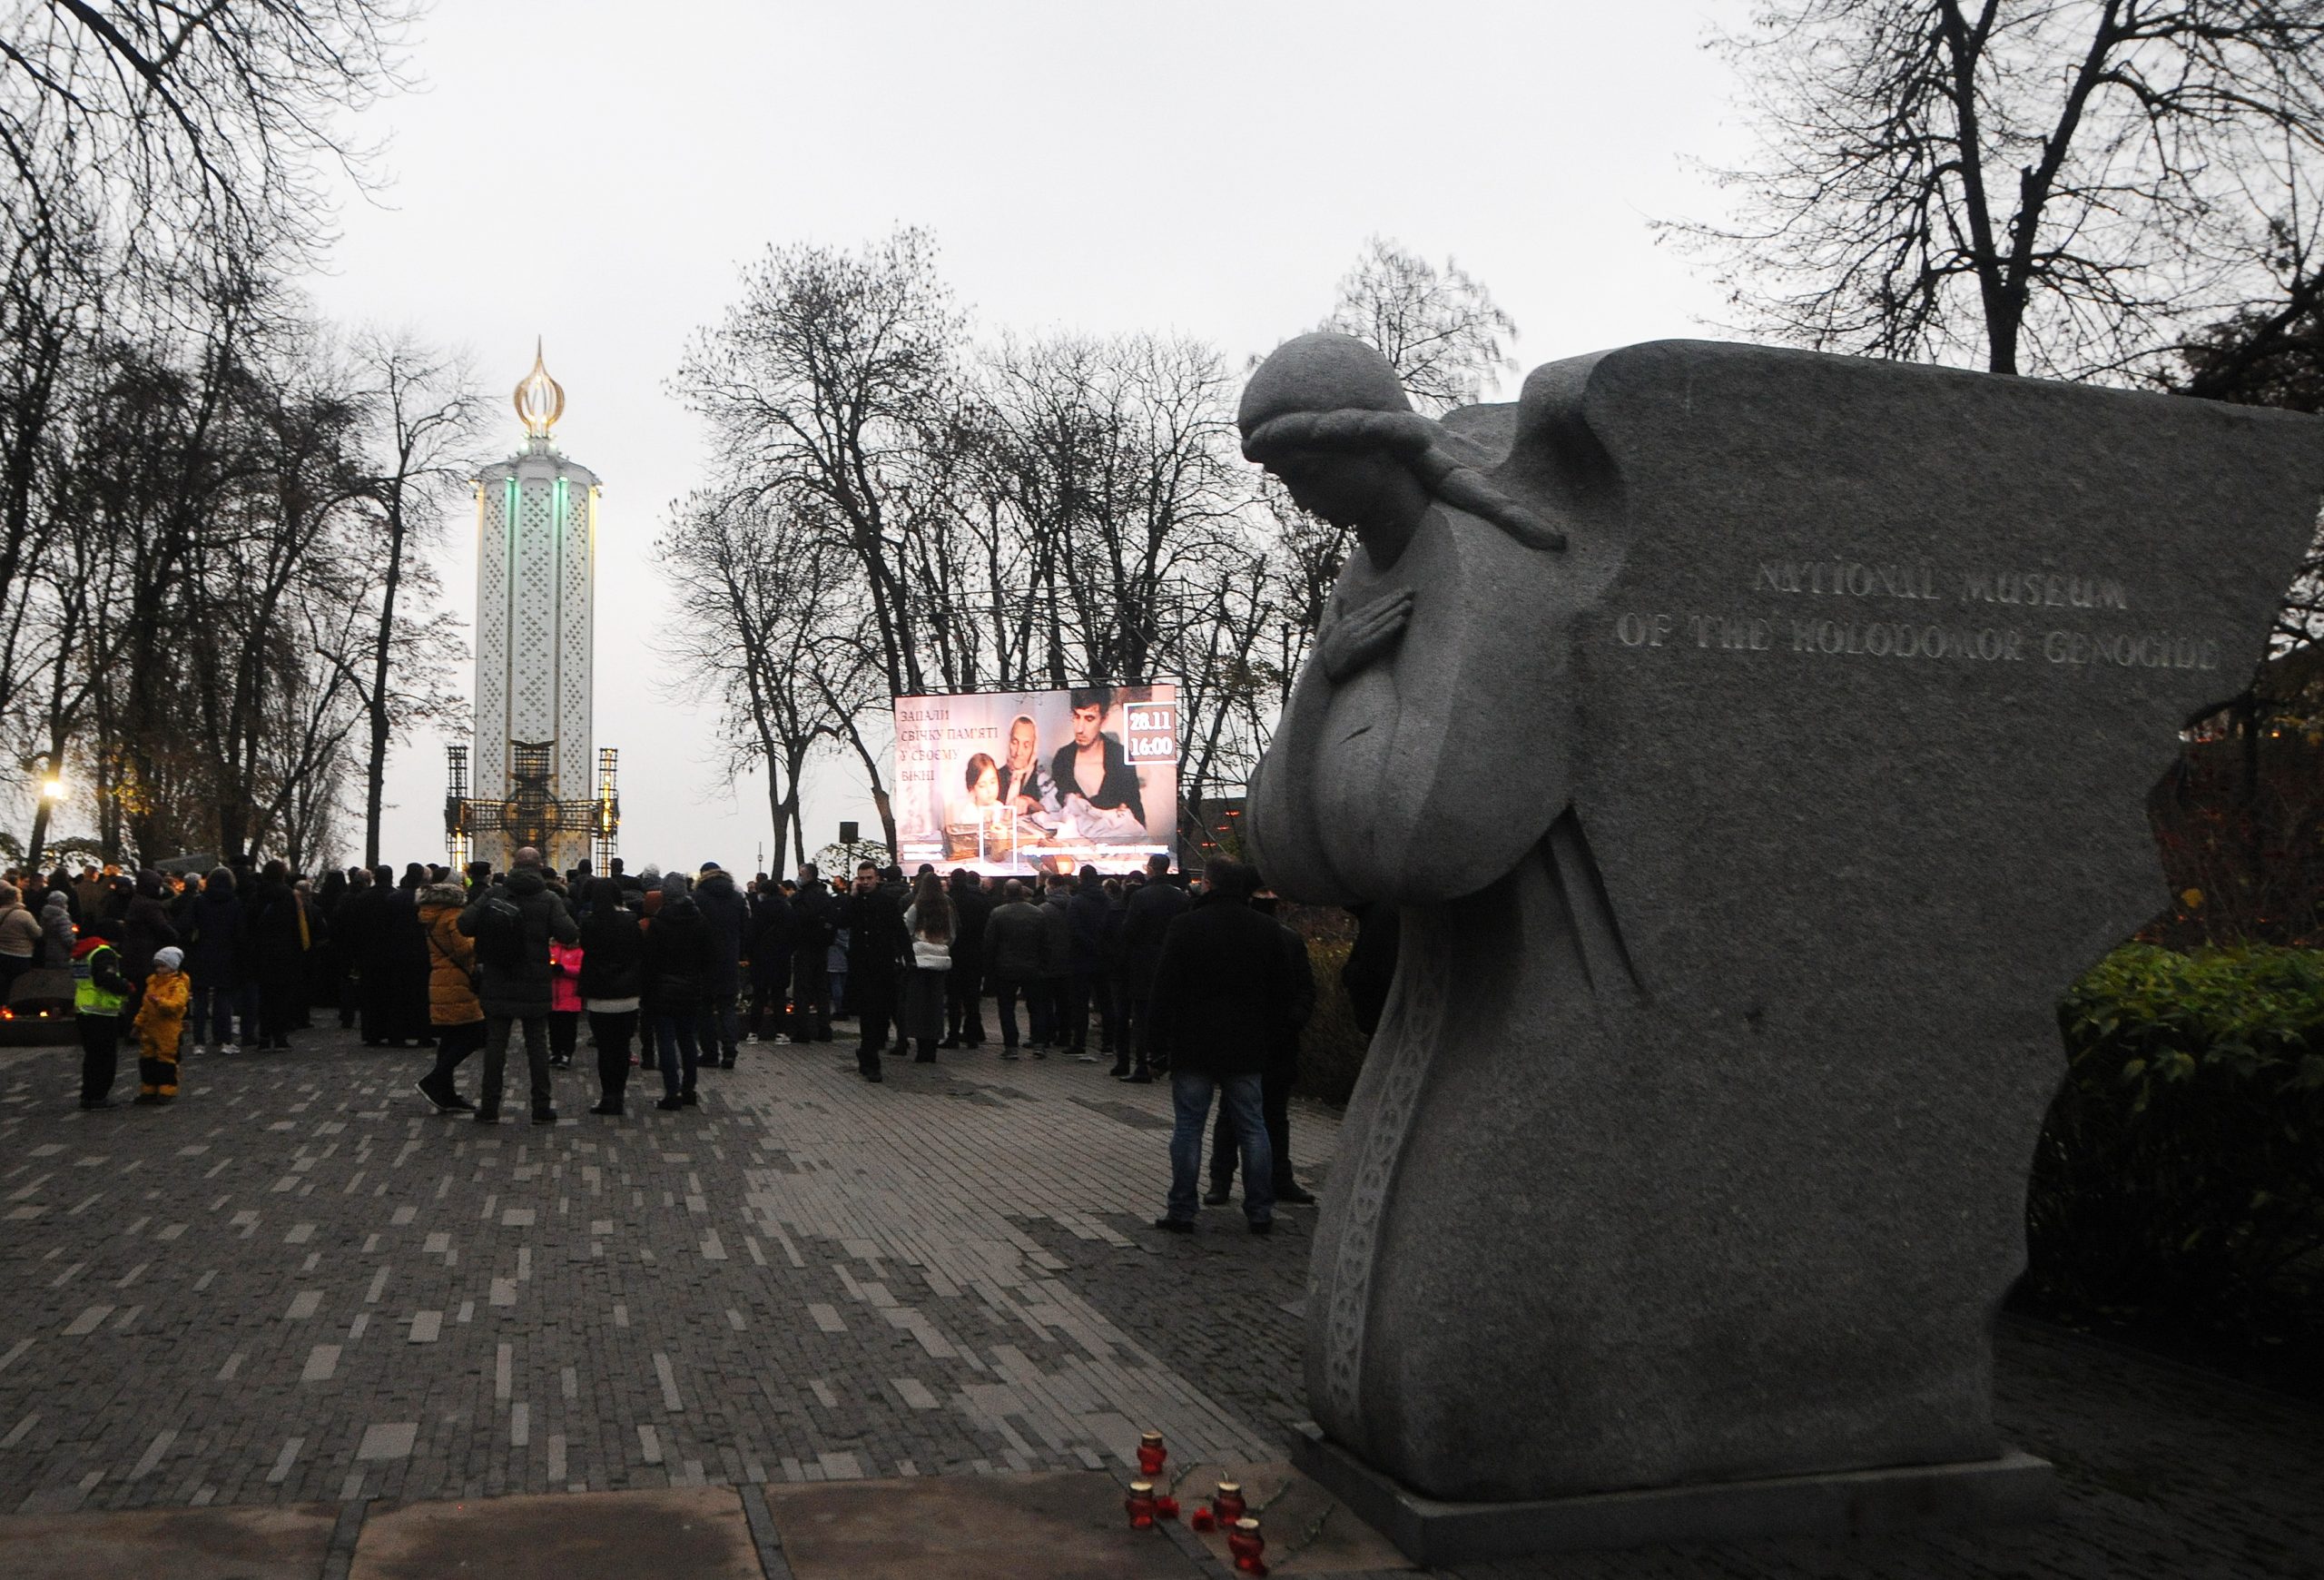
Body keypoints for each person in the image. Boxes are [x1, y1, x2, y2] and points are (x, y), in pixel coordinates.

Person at [1146, 859, 1297, 1235]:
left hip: (1194, 1042)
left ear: (1209, 885)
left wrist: (1155, 1046)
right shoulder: (1266, 929)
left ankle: (1182, 1209)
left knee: (1188, 1128)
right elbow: (1284, 992)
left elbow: (1164, 988)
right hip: (1247, 1044)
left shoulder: (1186, 926)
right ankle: (1260, 1210)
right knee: (1253, 1127)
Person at [1206, 888, 1320, 1208]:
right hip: (1255, 1039)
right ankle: (1230, 1180)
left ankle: (1255, 1179)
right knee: (1244, 1113)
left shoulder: (1284, 939)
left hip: (1268, 1039)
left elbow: (1305, 988)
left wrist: (1293, 1020)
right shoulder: (1255, 938)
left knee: (1257, 1112)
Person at [457, 846, 578, 1125]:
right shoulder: (548, 898)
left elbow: (465, 924)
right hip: (535, 982)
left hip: (498, 978)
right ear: (539, 866)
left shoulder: (495, 893)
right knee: (537, 1046)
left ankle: (489, 1107)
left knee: (496, 1046)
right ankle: (541, 1108)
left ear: (513, 865)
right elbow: (569, 932)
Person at [641, 869, 714, 1111]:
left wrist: (648, 988)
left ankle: (671, 1092)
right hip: (691, 987)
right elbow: (707, 957)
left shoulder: (659, 923)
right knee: (688, 1040)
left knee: (665, 1041)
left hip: (663, 988)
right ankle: (689, 1089)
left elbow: (649, 961)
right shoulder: (700, 921)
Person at [1115, 854, 1189, 1081]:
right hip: (1174, 963)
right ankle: (1172, 1062)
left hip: (1144, 965)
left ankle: (1143, 1066)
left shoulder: (1140, 897)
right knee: (1173, 1015)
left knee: (1143, 1017)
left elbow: (1129, 931)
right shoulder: (1181, 899)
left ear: (1150, 869)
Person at [413, 880, 484, 1113]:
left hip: (441, 980)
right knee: (476, 1033)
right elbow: (463, 949)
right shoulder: (452, 916)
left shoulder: (430, 916)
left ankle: (446, 1093)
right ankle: (434, 1079)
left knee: (451, 1038)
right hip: (457, 982)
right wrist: (479, 938)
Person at [576, 877, 644, 1115]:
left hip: (600, 993)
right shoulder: (631, 921)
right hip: (627, 994)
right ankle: (620, 1095)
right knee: (623, 1046)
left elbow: (586, 949)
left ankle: (608, 1096)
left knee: (605, 1049)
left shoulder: (590, 922)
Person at [841, 860, 908, 1081]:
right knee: (868, 1014)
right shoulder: (856, 902)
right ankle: (870, 1060)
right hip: (862, 966)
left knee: (881, 1013)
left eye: (869, 878)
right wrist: (852, 896)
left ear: (877, 878)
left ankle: (868, 1051)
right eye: (862, 878)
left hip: (883, 965)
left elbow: (899, 929)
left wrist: (908, 956)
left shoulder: (887, 901)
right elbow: (843, 920)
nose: (866, 882)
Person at [1049, 686, 1147, 834]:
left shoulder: (1120, 757)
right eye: (1076, 716)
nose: (1080, 728)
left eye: (1089, 719)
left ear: (1104, 719)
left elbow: (1137, 816)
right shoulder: (1063, 758)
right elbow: (1055, 809)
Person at [182, 869, 247, 1056]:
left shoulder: (199, 901)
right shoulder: (234, 903)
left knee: (200, 1000)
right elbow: (239, 932)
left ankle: (199, 1042)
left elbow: (185, 925)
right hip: (226, 953)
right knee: (223, 999)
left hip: (202, 952)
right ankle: (224, 1039)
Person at [243, 862, 306, 1050]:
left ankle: (263, 1036)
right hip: (284, 952)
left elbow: (248, 924)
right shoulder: (289, 896)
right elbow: (297, 926)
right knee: (282, 996)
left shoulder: (256, 895)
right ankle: (280, 1036)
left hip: (260, 952)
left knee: (264, 996)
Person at [982, 879, 1046, 1059]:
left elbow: (989, 944)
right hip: (1033, 967)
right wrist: (1043, 964)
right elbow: (1045, 942)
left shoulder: (998, 913)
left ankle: (1011, 1047)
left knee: (1006, 1008)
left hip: (1005, 968)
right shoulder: (1037, 913)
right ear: (1022, 891)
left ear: (1005, 892)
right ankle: (1039, 1043)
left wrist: (989, 969)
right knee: (1036, 1007)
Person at [692, 861, 747, 1068]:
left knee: (704, 1008)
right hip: (728, 959)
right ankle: (730, 1051)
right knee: (727, 1007)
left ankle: (710, 1053)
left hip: (703, 960)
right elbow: (744, 928)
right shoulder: (736, 897)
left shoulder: (697, 898)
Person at [72, 923, 129, 1109]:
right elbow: (106, 979)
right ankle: (98, 1096)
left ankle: (89, 1095)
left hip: (83, 1009)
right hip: (101, 1011)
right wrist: (125, 987)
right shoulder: (104, 953)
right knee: (104, 1057)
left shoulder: (81, 953)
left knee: (91, 1056)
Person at [900, 870, 951, 1063]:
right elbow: (952, 933)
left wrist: (913, 947)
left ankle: (922, 1048)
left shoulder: (916, 907)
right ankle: (933, 1047)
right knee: (936, 1006)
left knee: (919, 1006)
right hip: (941, 961)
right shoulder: (947, 907)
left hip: (919, 961)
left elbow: (905, 928)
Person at [133, 944, 191, 1104]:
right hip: (150, 1028)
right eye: (157, 966)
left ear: (172, 967)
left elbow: (177, 1006)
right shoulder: (152, 983)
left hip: (168, 1029)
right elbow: (145, 1007)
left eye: (163, 966)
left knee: (166, 1060)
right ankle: (149, 1089)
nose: (159, 969)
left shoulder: (177, 985)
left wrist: (161, 1003)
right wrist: (138, 1024)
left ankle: (167, 1090)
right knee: (147, 1060)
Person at [940, 867, 989, 1048]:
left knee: (954, 998)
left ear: (951, 880)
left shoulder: (947, 901)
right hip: (974, 954)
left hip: (952, 953)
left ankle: (952, 1036)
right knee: (972, 998)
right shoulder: (980, 900)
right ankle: (972, 1035)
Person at [1062, 866, 1108, 1058]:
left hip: (1081, 959)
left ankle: (1079, 1042)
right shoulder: (1107, 900)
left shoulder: (1076, 901)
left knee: (1079, 1002)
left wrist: (1088, 944)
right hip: (1104, 958)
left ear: (1080, 879)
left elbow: (1073, 929)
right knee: (1106, 1002)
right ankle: (1108, 1042)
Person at [789, 864, 836, 1042]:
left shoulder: (801, 898)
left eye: (800, 874)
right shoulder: (824, 896)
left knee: (802, 989)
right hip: (822, 947)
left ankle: (803, 1030)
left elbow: (797, 919)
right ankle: (824, 1028)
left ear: (806, 876)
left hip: (804, 946)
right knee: (821, 989)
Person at [745, 876, 793, 1045]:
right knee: (779, 996)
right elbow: (793, 933)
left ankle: (753, 1033)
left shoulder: (758, 908)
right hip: (781, 957)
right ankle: (781, 1033)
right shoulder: (787, 908)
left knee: (759, 996)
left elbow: (751, 934)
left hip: (761, 958)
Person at [1038, 874, 1075, 1051]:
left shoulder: (1043, 909)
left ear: (1050, 886)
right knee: (1065, 1002)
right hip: (1069, 960)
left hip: (1048, 961)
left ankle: (1046, 1035)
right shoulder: (1074, 905)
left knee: (1045, 1001)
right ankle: (1065, 1035)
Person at [0, 880, 46, 1005]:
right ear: (17, 898)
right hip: (20, 956)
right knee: (20, 985)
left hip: (2, 954)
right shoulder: (24, 915)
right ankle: (16, 1008)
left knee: (4, 984)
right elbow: (37, 934)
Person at [999, 714, 1056, 815]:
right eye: (1015, 742)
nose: (1019, 752)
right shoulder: (996, 776)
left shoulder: (1042, 779)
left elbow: (1055, 814)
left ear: (1034, 747)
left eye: (1026, 745)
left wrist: (1031, 803)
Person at [548, 934, 584, 1068]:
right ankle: (555, 1051)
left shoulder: (578, 951)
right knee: (554, 1027)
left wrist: (564, 969)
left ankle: (566, 1053)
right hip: (553, 997)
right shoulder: (552, 948)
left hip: (570, 997)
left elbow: (581, 970)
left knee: (568, 1028)